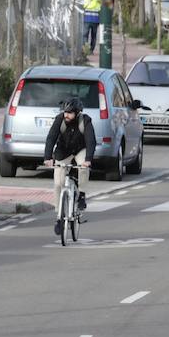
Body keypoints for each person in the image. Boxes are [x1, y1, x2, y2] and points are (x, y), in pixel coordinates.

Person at [43, 97, 96, 237]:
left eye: (70, 113)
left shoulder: (85, 121)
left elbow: (91, 141)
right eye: (65, 112)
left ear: (77, 112)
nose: (66, 115)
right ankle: (59, 218)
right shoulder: (59, 120)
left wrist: (88, 159)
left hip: (80, 150)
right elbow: (51, 138)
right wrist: (47, 157)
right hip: (63, 152)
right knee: (58, 183)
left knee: (83, 168)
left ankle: (82, 196)